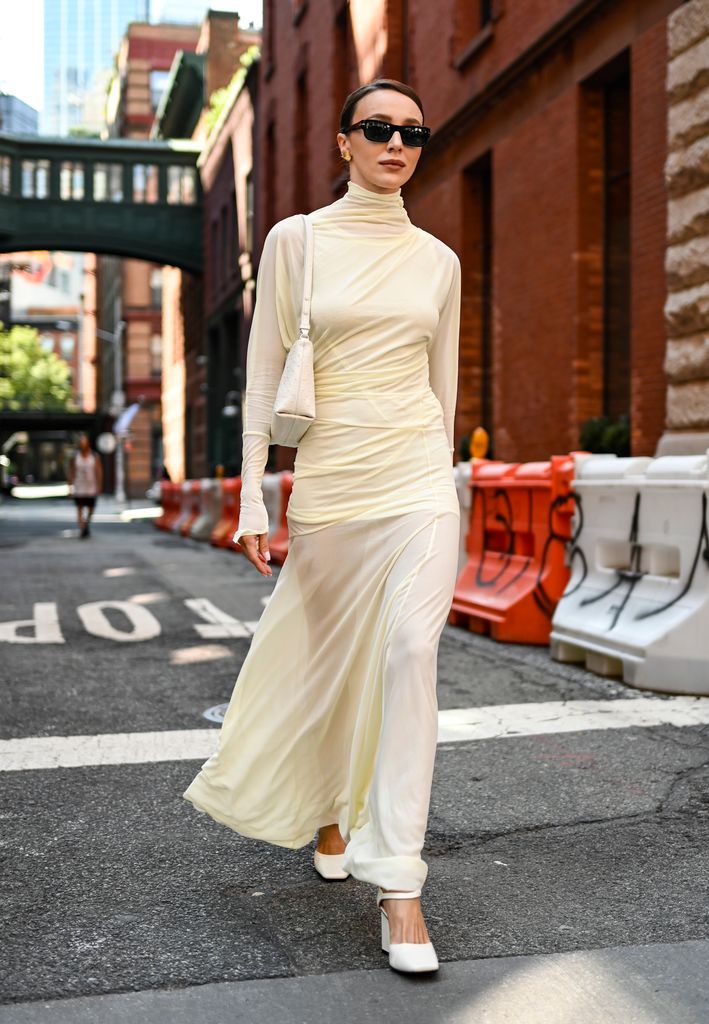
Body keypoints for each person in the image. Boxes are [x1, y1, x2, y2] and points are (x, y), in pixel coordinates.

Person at [183, 78, 461, 974]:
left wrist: (445, 476)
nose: (396, 144)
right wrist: (256, 498)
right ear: (344, 142)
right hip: (333, 481)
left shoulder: (440, 263)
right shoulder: (295, 241)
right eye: (377, 129)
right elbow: (263, 379)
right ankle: (332, 809)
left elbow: (443, 391)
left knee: (410, 653)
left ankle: (401, 887)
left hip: (416, 474)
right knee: (332, 660)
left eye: (412, 133)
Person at [68, 434, 102, 538]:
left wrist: (99, 485)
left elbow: (98, 471)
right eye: (81, 442)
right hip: (79, 486)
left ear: (88, 443)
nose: (82, 444)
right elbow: (72, 471)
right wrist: (69, 486)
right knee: (80, 508)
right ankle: (83, 528)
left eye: (84, 442)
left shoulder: (94, 456)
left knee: (91, 509)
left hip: (91, 486)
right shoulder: (76, 457)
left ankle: (87, 522)